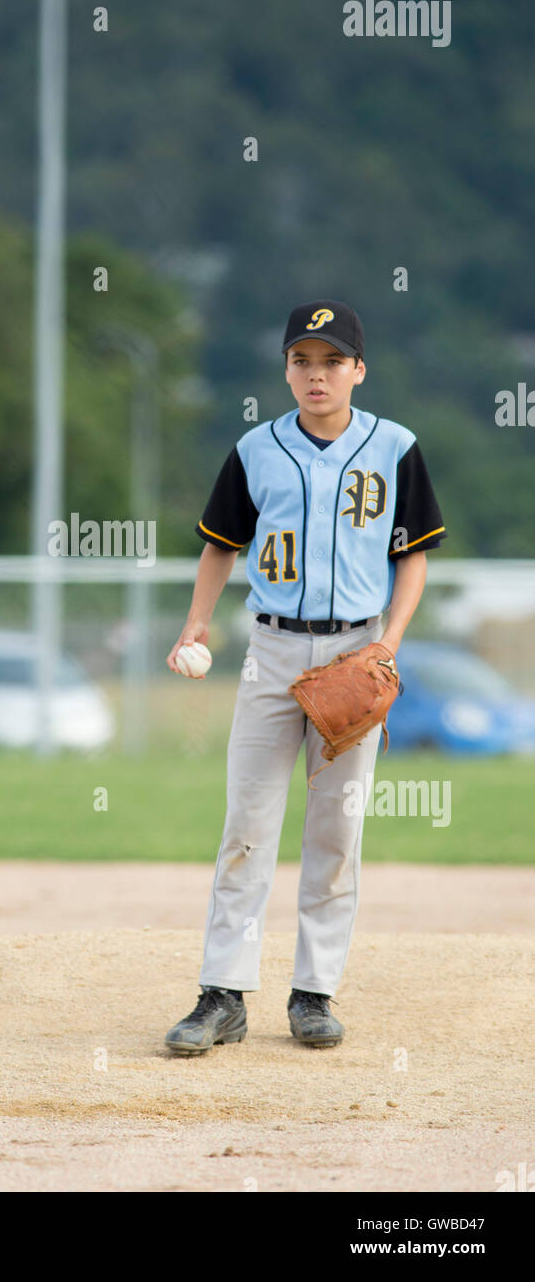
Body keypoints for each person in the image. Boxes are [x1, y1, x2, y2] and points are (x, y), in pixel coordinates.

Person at [164, 300, 447, 1054]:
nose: (315, 375)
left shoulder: (395, 447)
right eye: (301, 361)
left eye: (331, 361)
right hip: (272, 649)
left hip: (355, 653)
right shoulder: (256, 449)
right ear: (285, 370)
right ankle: (222, 995)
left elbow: (411, 557)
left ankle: (314, 993)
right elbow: (221, 546)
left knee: (336, 831)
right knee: (246, 826)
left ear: (358, 370)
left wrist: (388, 644)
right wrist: (196, 621)